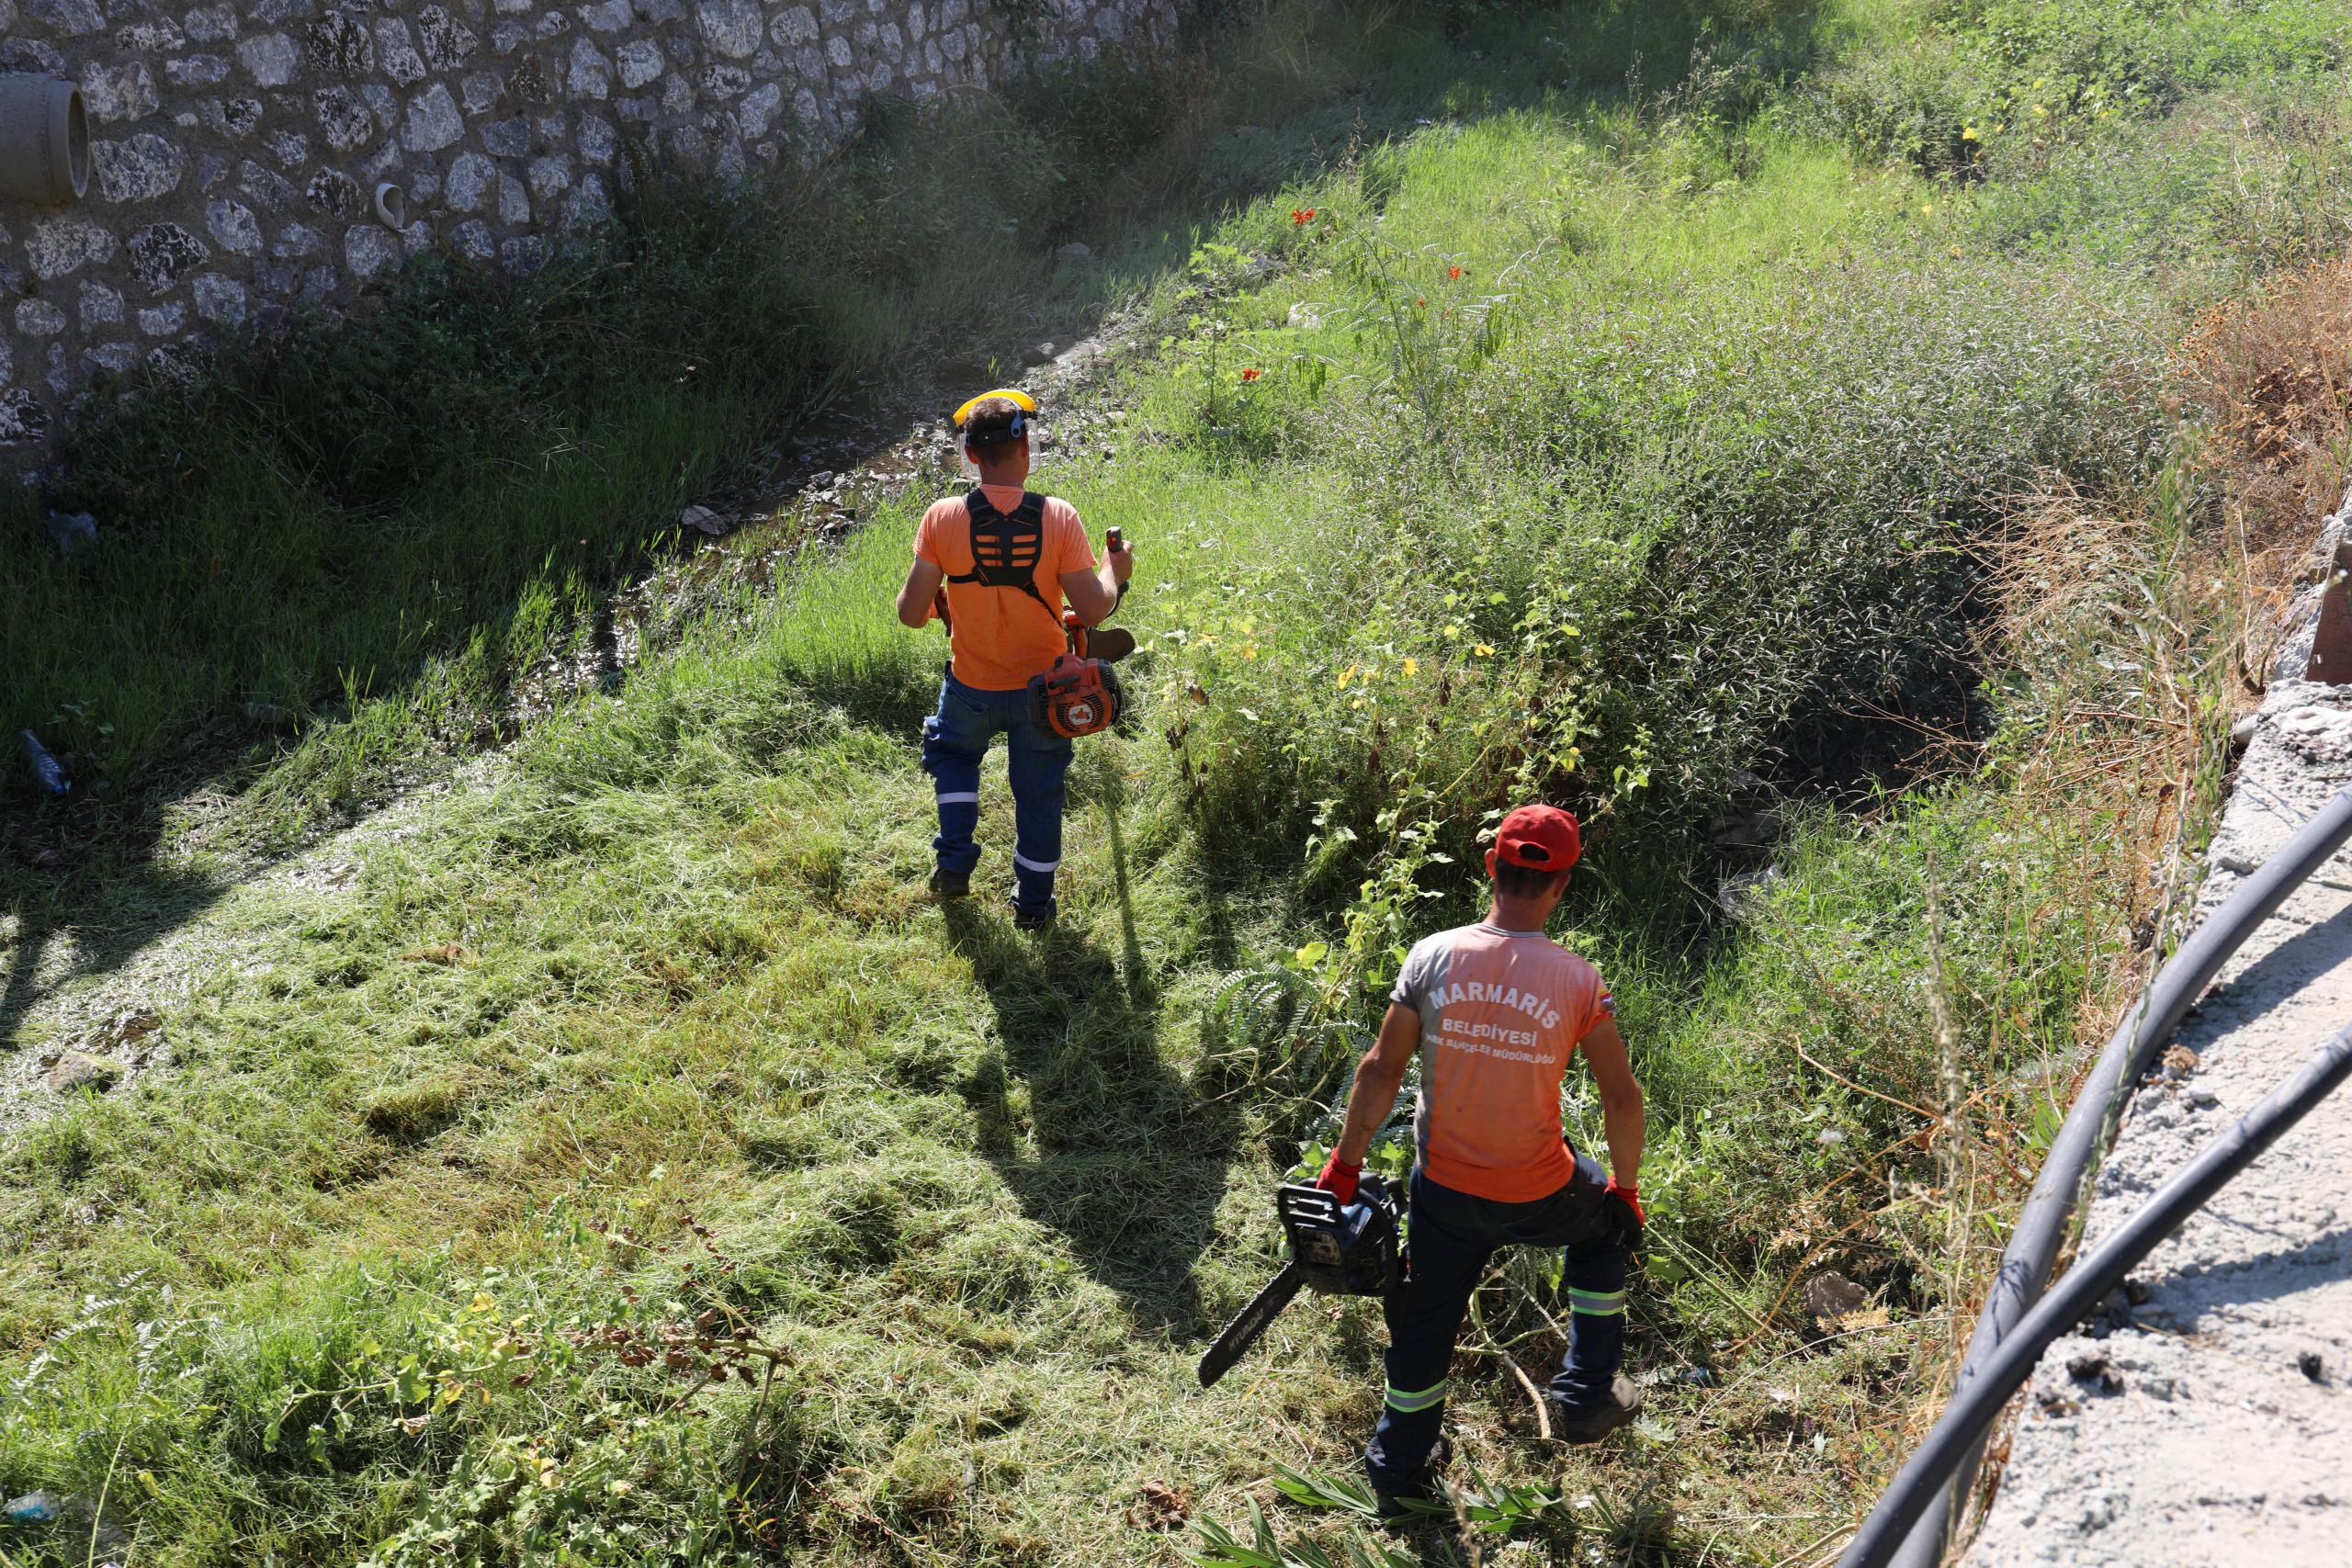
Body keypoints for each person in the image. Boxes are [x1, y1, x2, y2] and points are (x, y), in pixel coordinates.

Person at [1312, 803, 1647, 1513]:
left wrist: (1342, 1169)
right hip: (1541, 1190)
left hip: (1443, 1191)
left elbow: (1379, 1072)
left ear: (1491, 867)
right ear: (1562, 882)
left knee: (1425, 1320)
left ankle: (1398, 1471)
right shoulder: (1581, 981)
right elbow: (1622, 1099)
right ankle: (1586, 1392)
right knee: (1606, 1227)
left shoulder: (1432, 956)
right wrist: (1626, 1189)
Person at [894, 389, 1134, 930]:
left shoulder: (942, 518)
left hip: (971, 685)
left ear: (971, 456)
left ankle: (954, 863)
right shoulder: (1059, 517)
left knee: (953, 757)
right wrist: (1114, 570)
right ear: (1026, 449)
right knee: (1040, 794)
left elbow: (911, 615)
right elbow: (1093, 610)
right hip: (1045, 693)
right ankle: (1032, 908)